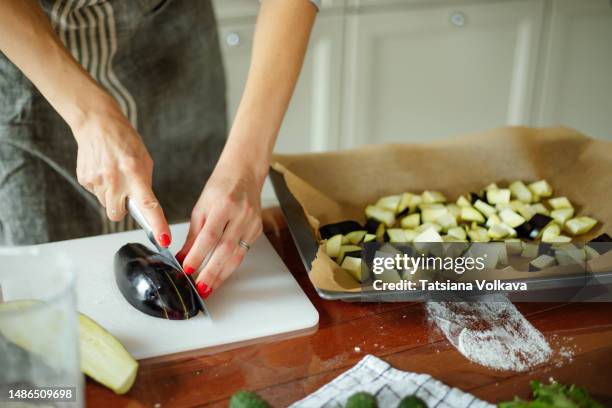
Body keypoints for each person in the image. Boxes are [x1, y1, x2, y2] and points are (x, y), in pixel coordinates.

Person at [0, 0, 318, 298]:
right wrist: (87, 114)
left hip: (172, 44)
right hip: (30, 62)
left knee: (200, 235)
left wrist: (246, 168)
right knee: (42, 287)